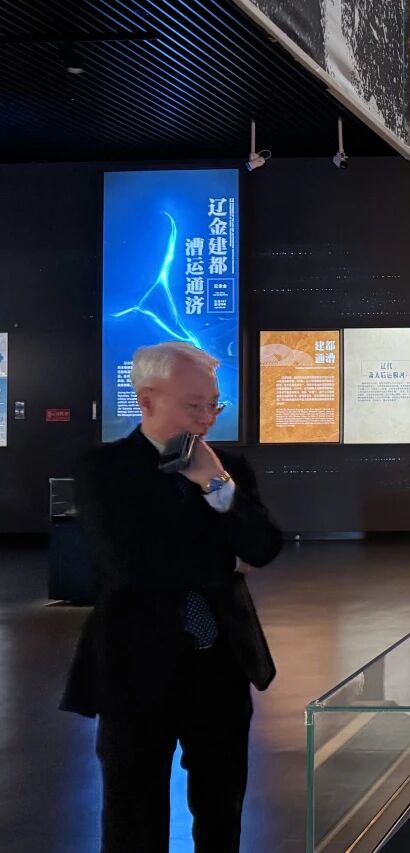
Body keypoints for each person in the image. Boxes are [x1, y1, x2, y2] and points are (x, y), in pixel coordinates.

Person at [61, 341, 282, 852]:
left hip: (221, 665)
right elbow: (132, 566)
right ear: (147, 400)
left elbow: (263, 547)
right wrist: (225, 561)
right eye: (194, 404)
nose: (207, 418)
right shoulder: (105, 469)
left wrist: (215, 485)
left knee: (222, 813)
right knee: (133, 819)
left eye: (213, 404)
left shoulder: (227, 469)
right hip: (135, 669)